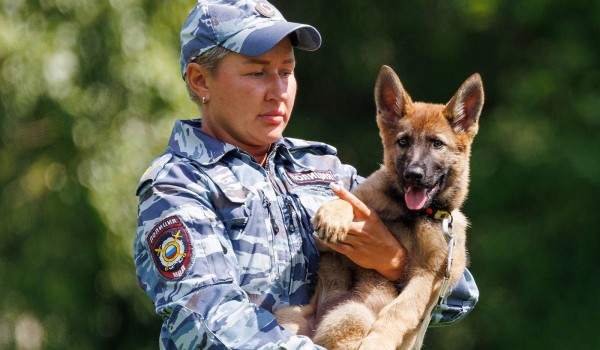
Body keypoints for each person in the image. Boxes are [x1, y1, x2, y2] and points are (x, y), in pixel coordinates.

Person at [134, 0, 479, 349]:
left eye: (286, 72)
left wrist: (394, 263)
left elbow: (458, 299)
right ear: (200, 80)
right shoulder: (177, 186)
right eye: (257, 73)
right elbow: (207, 323)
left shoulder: (323, 169)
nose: (279, 90)